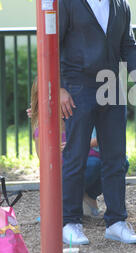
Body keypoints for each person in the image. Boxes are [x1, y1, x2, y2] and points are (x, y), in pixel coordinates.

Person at [59, 0, 136, 245]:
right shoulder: (68, 0)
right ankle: (70, 222)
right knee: (74, 156)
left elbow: (129, 46)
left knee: (115, 157)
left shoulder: (121, 3)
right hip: (77, 88)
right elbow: (52, 46)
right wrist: (58, 88)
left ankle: (116, 222)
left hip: (111, 87)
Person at [28, 77, 105, 219]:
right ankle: (60, 207)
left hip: (81, 162)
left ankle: (86, 199)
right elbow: (44, 160)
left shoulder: (75, 113)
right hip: (62, 171)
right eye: (46, 96)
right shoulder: (42, 127)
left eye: (54, 94)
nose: (51, 100)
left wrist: (75, 143)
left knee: (96, 164)